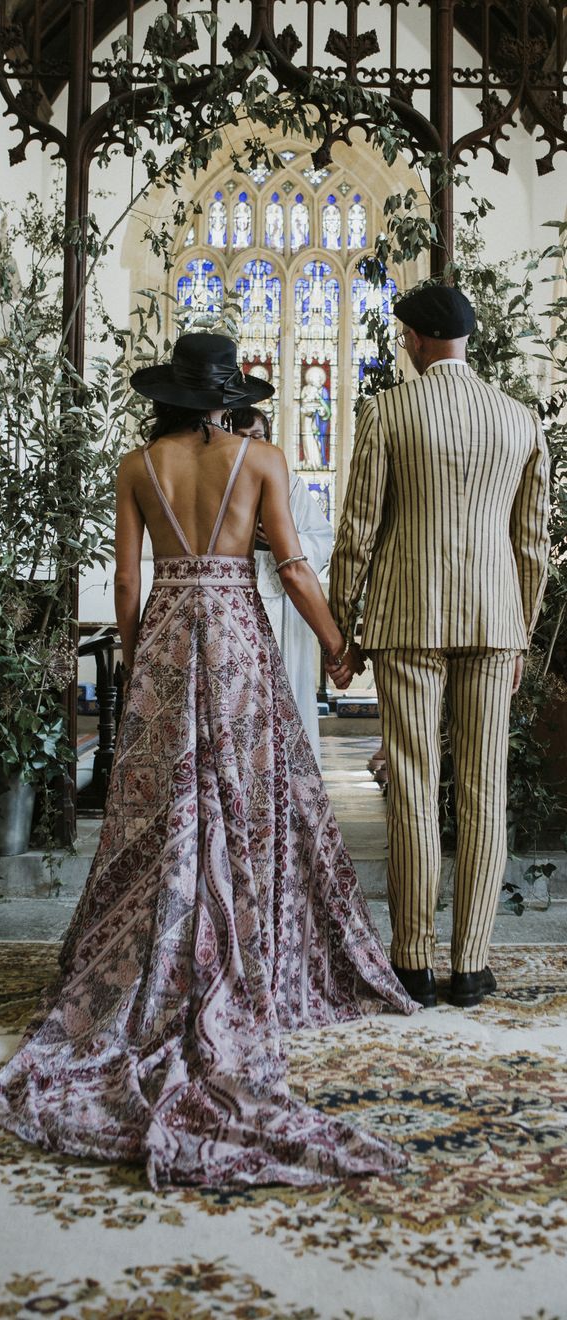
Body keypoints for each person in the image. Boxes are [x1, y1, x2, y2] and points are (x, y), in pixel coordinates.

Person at [0, 332, 415, 1191]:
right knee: (242, 793)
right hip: (235, 637)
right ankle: (246, 943)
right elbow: (290, 566)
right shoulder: (261, 458)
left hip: (172, 636)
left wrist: (143, 656)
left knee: (165, 801)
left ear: (171, 396)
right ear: (228, 395)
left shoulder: (138, 463)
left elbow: (125, 582)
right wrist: (338, 646)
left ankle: (163, 946)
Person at [328, 286, 550, 1010]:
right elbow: (532, 544)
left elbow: (359, 527)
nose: (404, 346)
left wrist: (343, 626)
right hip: (494, 622)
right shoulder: (520, 420)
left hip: (406, 618)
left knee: (415, 787)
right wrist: (521, 628)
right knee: (485, 791)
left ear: (420, 338)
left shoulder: (388, 411)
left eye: (405, 336)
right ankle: (474, 966)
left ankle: (414, 961)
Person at [231, 405, 332, 765]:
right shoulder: (220, 482)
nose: (248, 448)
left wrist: (283, 542)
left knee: (289, 689)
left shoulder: (288, 484)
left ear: (269, 441)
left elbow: (322, 539)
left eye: (256, 439)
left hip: (285, 597)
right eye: (240, 440)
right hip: (238, 592)